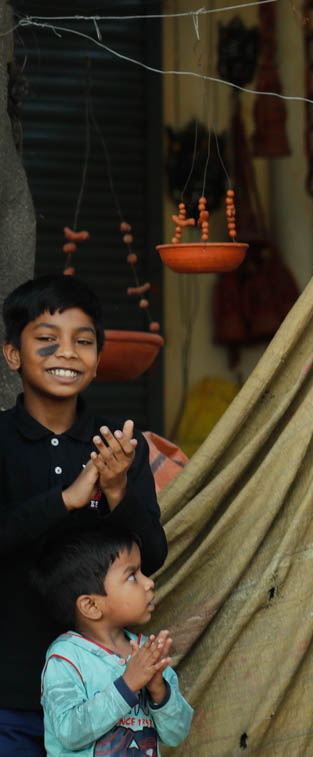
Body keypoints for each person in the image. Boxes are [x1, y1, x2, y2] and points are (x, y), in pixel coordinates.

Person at [0, 274, 167, 756]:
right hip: (10, 694)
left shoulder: (118, 449)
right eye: (47, 341)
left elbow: (151, 555)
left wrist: (118, 492)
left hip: (107, 696)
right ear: (13, 354)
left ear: (99, 358)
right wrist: (66, 501)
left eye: (84, 341)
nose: (68, 353)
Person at [31, 527, 192, 756]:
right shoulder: (66, 658)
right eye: (132, 576)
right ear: (91, 606)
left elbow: (177, 733)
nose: (149, 583)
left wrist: (159, 690)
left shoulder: (147, 651)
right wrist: (127, 685)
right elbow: (69, 732)